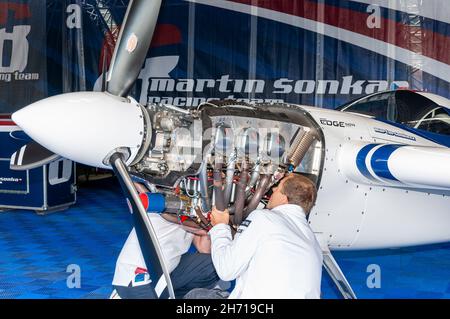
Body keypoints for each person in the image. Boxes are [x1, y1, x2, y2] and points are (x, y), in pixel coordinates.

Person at [208, 173, 323, 299]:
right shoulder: (314, 241)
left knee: (196, 295)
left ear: (285, 198)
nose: (273, 189)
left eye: (278, 188)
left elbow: (226, 269)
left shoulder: (264, 218)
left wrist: (219, 226)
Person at [110, 183, 219, 299]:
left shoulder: (196, 209)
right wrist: (217, 226)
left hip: (168, 272)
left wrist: (210, 222)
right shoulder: (168, 201)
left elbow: (203, 248)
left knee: (215, 263)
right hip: (138, 276)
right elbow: (196, 228)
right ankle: (122, 295)